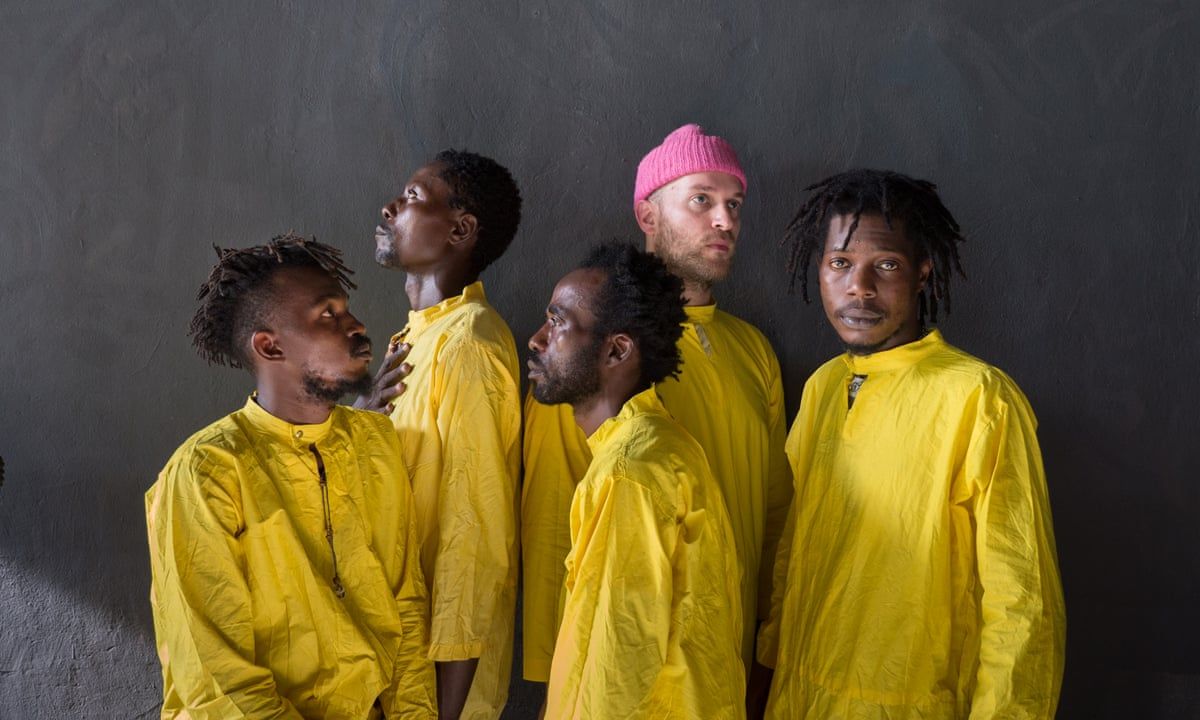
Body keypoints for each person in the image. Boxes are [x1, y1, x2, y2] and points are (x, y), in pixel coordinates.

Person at [756, 170, 1066, 718]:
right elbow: (792, 551)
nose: (860, 287)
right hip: (800, 697)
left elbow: (1024, 602)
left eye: (887, 265)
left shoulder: (977, 398)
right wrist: (769, 667)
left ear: (923, 271)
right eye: (840, 264)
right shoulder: (824, 386)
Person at [522, 125, 791, 692]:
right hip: (631, 675)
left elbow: (773, 513)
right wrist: (559, 677)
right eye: (701, 200)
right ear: (648, 215)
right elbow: (553, 525)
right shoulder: (585, 353)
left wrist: (767, 651)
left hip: (729, 664)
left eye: (734, 205)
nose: (725, 221)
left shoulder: (753, 350)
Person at [146, 235, 436, 719]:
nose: (356, 325)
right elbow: (219, 678)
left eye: (347, 309)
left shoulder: (376, 442)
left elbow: (405, 605)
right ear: (269, 344)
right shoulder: (207, 471)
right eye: (328, 314)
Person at [530, 242, 745, 719]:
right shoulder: (656, 447)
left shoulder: (630, 473)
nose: (538, 339)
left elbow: (616, 667)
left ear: (617, 349)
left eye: (558, 323)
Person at [365, 150, 522, 720]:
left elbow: (473, 540)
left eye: (410, 198)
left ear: (460, 229)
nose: (388, 208)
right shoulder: (418, 337)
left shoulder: (468, 346)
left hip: (433, 691)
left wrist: (441, 710)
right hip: (392, 667)